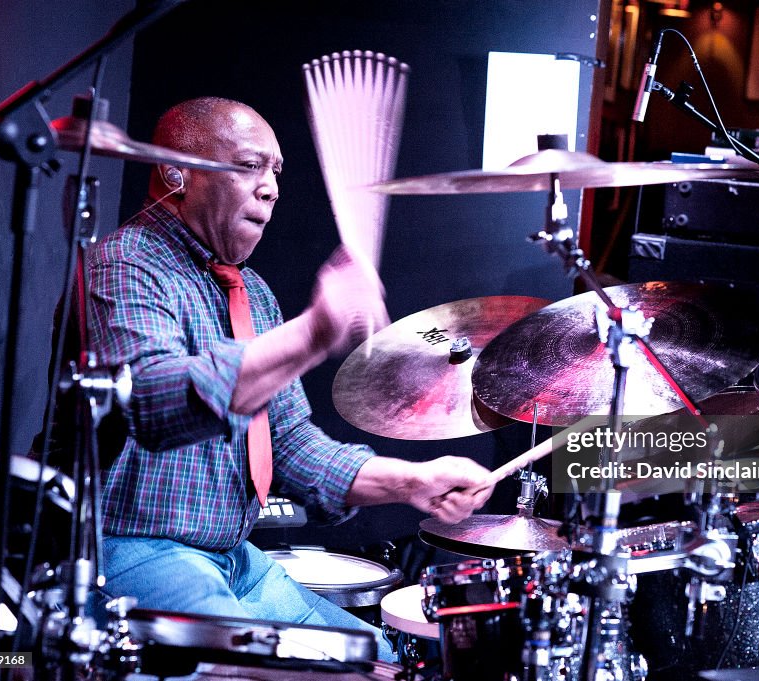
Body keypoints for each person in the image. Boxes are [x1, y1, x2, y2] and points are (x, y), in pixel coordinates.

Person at [84, 96, 493, 658]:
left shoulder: (251, 293)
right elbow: (156, 402)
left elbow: (290, 445)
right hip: (129, 546)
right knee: (270, 671)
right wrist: (315, 332)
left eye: (275, 172)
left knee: (377, 657)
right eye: (251, 166)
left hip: (234, 558)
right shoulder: (124, 264)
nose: (272, 188)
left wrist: (412, 481)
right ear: (177, 171)